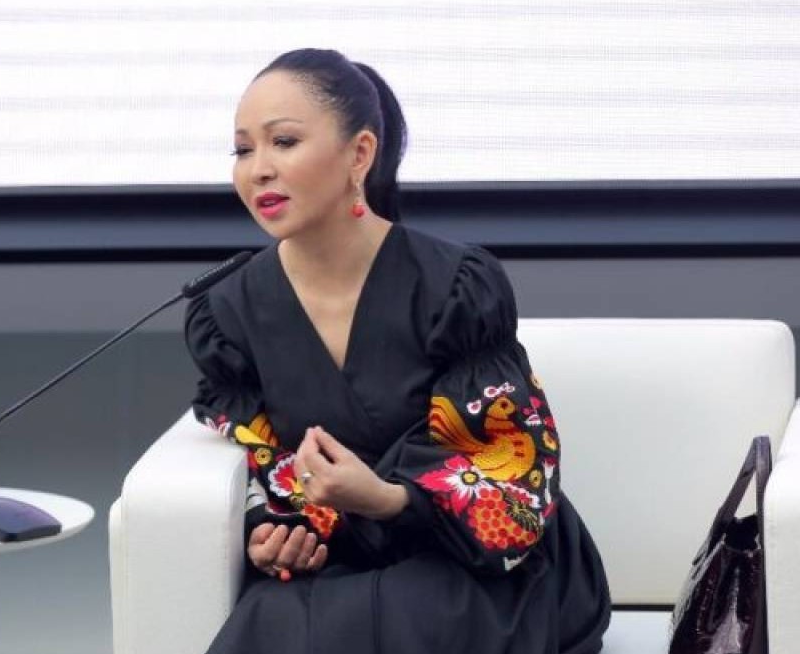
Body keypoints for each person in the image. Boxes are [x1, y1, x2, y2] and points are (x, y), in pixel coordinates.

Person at [185, 48, 611, 654]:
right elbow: (268, 464)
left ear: (360, 153)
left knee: (398, 618)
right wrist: (275, 530)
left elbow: (512, 464)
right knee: (273, 622)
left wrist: (387, 498)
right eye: (243, 150)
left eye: (283, 142)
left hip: (479, 563)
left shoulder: (456, 285)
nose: (258, 170)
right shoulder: (228, 311)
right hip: (346, 558)